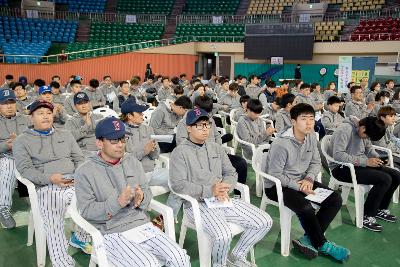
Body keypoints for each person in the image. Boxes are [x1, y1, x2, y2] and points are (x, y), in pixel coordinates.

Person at [75, 117, 190, 267]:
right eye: (114, 141)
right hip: (110, 232)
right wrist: (116, 203)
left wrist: (141, 198)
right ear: (99, 143)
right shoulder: (85, 171)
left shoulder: (132, 162)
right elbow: (86, 211)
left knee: (180, 257)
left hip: (141, 225)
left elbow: (147, 194)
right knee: (149, 264)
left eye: (122, 139)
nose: (120, 145)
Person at [169, 107, 273, 267]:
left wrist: (226, 187)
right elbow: (179, 185)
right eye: (199, 126)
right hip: (197, 205)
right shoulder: (180, 152)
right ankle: (220, 263)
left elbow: (231, 172)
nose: (204, 129)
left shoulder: (216, 147)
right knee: (223, 235)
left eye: (206, 125)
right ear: (188, 128)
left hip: (222, 199)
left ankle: (236, 256)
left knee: (264, 221)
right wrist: (210, 191)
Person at [264, 103, 350, 261]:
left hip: (303, 181)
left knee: (334, 199)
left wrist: (309, 179)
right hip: (277, 186)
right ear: (293, 121)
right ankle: (322, 244)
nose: (309, 123)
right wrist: (299, 186)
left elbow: (316, 162)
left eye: (311, 118)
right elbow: (275, 174)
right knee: (306, 207)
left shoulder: (310, 137)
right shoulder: (281, 144)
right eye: (304, 119)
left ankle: (307, 239)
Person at [13, 100, 92, 266]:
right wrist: (50, 178)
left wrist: (78, 177)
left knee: (94, 197)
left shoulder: (65, 134)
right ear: (31, 118)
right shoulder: (22, 141)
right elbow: (25, 170)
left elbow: (79, 159)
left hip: (73, 180)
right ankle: (61, 260)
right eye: (40, 113)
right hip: (45, 186)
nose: (46, 116)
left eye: (48, 113)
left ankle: (80, 237)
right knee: (53, 208)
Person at [328, 116, 400, 231]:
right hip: (342, 168)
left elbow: (369, 149)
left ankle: (380, 209)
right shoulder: (345, 130)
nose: (366, 138)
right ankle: (367, 215)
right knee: (384, 179)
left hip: (359, 165)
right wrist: (365, 161)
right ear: (362, 127)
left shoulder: (366, 130)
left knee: (396, 175)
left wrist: (377, 159)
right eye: (367, 135)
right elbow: (338, 155)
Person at [120, 98, 182, 220]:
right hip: (133, 176)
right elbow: (124, 160)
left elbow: (155, 156)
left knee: (181, 179)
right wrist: (144, 151)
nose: (142, 115)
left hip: (152, 172)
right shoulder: (120, 133)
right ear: (129, 116)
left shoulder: (147, 129)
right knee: (136, 208)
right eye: (139, 113)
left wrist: (153, 150)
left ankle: (165, 220)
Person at [0, 89, 30, 229]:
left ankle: (34, 199)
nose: (9, 106)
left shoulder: (25, 118)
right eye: (5, 103)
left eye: (11, 102)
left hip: (26, 155)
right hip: (5, 157)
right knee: (9, 164)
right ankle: (3, 208)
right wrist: (6, 145)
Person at [65, 92, 103, 156]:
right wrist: (87, 126)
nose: (83, 106)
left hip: (102, 150)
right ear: (75, 106)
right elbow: (70, 138)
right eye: (80, 103)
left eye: (85, 102)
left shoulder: (99, 116)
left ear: (89, 103)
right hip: (85, 153)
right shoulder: (71, 121)